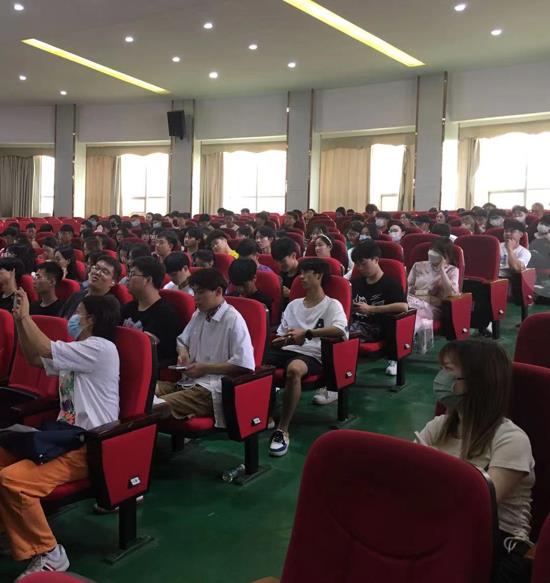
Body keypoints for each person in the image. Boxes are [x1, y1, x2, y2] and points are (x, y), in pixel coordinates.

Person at [3, 291, 120, 579]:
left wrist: (25, 317)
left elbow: (44, 346)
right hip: (62, 437)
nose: (72, 318)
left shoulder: (101, 348)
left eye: (77, 312)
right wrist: (19, 320)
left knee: (13, 482)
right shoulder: (78, 349)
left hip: (87, 443)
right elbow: (34, 357)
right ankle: (11, 529)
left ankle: (50, 553)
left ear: (91, 319)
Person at [416, 339, 534, 583]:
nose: (440, 378)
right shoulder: (439, 426)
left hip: (497, 543)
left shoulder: (511, 439)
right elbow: (406, 477)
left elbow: (477, 505)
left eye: (448, 370)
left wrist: (431, 474)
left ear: (478, 381)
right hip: (442, 529)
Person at [264, 259, 347, 456]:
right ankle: (264, 414)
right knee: (254, 361)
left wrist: (308, 333)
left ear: (318, 275)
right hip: (288, 349)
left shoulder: (332, 305)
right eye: (300, 273)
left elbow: (340, 330)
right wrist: (283, 340)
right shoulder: (293, 305)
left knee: (294, 370)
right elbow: (281, 334)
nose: (300, 277)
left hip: (313, 354)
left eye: (305, 273)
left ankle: (282, 429)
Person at [154, 268, 255, 427]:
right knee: (144, 392)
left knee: (155, 406)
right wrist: (183, 353)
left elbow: (244, 364)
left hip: (210, 389)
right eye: (194, 292)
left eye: (201, 293)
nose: (196, 298)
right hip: (188, 382)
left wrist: (205, 368)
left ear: (218, 291)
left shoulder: (233, 319)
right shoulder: (199, 314)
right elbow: (182, 341)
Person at [349, 241, 408, 378]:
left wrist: (371, 309)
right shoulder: (355, 283)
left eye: (363, 263)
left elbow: (403, 307)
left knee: (339, 338)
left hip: (378, 326)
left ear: (376, 260)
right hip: (356, 323)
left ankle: (393, 359)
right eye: (357, 264)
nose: (360, 268)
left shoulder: (391, 284)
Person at [122, 256, 183, 369]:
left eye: (132, 274)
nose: (127, 278)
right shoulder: (128, 308)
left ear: (148, 280)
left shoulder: (165, 315)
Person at [407, 238, 459, 353]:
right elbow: (408, 287)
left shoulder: (452, 270)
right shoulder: (418, 265)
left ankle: (403, 345)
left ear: (445, 255)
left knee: (411, 315)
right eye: (432, 250)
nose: (432, 253)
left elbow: (451, 294)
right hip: (413, 301)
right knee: (403, 312)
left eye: (437, 251)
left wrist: (442, 270)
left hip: (433, 307)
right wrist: (420, 294)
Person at [271, 238, 299, 307]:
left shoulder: (305, 275)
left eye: (282, 261)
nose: (279, 265)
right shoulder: (280, 276)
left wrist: (291, 294)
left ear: (293, 256)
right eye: (276, 262)